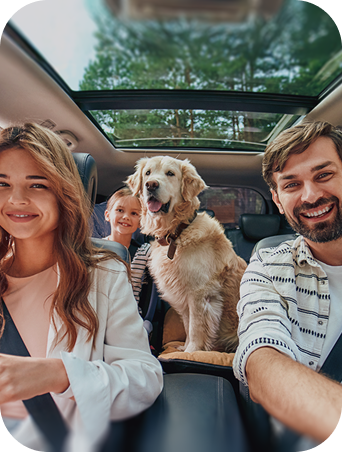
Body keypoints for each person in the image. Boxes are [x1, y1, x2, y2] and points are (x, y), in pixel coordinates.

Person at [0, 123, 163, 452]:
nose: (17, 199)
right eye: (2, 183)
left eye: (38, 185)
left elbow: (145, 377)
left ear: (64, 192)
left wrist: (60, 374)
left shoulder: (103, 273)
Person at [233, 121, 342, 448]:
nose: (311, 195)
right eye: (291, 184)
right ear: (278, 201)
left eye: (324, 175)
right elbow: (260, 353)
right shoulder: (268, 264)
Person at [104, 187, 151, 304]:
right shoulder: (94, 248)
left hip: (130, 317)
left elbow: (166, 257)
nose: (126, 217)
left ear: (141, 222)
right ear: (107, 215)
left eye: (134, 213)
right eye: (120, 210)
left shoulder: (143, 251)